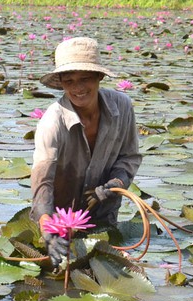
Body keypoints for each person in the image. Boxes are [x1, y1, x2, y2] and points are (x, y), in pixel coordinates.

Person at [31, 37, 141, 266]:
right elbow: (43, 182)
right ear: (61, 83)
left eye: (85, 79)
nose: (78, 89)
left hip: (104, 215)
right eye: (69, 81)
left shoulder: (122, 106)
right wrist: (47, 227)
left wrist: (116, 183)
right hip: (60, 218)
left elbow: (129, 157)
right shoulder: (52, 121)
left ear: (99, 77)